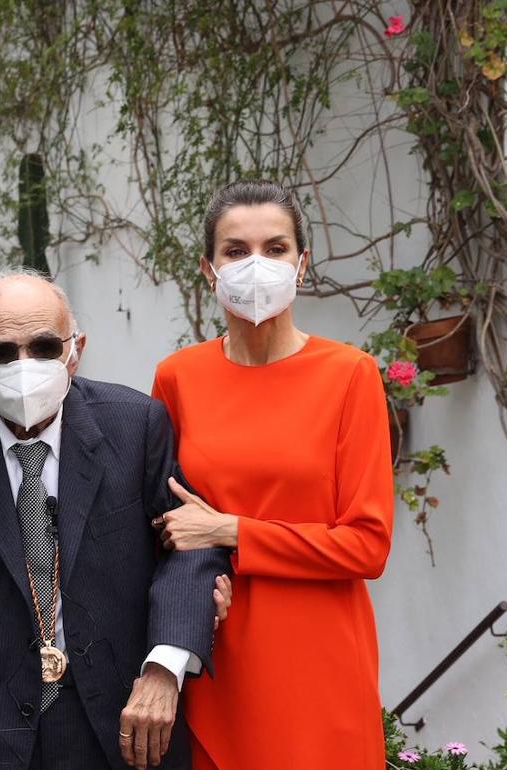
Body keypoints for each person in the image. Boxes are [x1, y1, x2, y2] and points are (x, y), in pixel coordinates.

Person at [0, 271, 233, 770]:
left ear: (75, 349)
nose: (24, 366)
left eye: (43, 347)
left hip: (126, 721)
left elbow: (191, 547)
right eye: (0, 352)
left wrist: (164, 669)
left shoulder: (135, 425)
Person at [150, 180, 393, 769]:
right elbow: (161, 526)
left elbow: (367, 546)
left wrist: (234, 531)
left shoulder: (350, 376)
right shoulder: (178, 378)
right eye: (235, 251)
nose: (256, 264)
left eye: (276, 248)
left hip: (321, 657)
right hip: (216, 651)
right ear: (209, 269)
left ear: (301, 263)